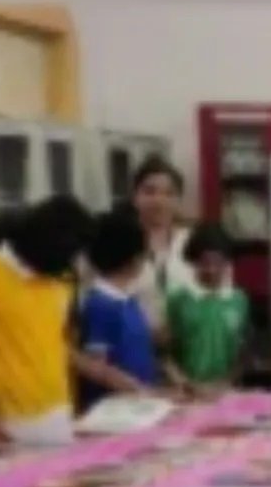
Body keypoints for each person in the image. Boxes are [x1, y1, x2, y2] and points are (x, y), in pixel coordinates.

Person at [0, 196, 93, 445]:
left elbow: (55, 345)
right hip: (4, 427)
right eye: (69, 254)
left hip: (59, 415)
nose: (72, 263)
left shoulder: (60, 279)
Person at [73, 206, 166, 407]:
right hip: (113, 410)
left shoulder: (129, 300)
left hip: (140, 404)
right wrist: (142, 391)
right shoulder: (100, 305)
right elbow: (97, 368)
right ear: (135, 259)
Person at [162, 222, 250, 397]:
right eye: (204, 263)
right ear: (194, 262)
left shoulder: (239, 300)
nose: (211, 270)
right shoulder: (178, 300)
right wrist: (185, 383)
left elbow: (243, 354)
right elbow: (163, 353)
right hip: (185, 392)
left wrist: (224, 384)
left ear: (227, 263)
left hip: (226, 391)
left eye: (218, 263)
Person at [127, 155, 202, 335]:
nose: (159, 201)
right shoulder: (119, 243)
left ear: (178, 200)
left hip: (189, 342)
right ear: (135, 197)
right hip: (133, 344)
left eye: (169, 193)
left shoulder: (195, 241)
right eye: (149, 191)